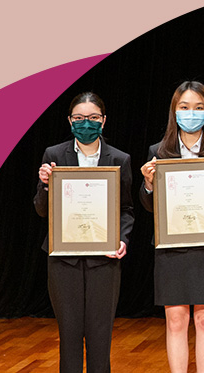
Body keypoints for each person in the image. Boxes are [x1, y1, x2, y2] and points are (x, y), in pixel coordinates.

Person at [138, 81, 204, 373]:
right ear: (174, 111)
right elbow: (150, 207)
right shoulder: (159, 151)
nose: (191, 113)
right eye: (184, 107)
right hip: (172, 248)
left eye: (198, 107)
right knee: (175, 321)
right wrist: (148, 185)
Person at [34, 92, 134, 373]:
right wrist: (45, 185)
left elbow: (126, 209)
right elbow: (41, 210)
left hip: (104, 259)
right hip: (63, 259)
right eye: (79, 118)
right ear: (70, 121)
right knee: (69, 333)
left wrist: (122, 239)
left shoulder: (120, 159)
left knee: (101, 334)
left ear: (103, 120)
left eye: (92, 118)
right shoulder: (54, 155)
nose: (85, 123)